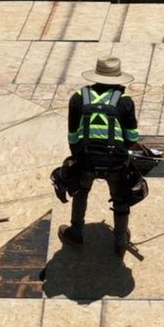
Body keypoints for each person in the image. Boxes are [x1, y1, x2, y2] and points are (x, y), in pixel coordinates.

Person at [58, 55, 145, 255]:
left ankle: (76, 233)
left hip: (86, 158)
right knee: (120, 198)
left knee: (81, 191)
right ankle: (120, 241)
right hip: (115, 161)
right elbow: (131, 137)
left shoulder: (78, 97)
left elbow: (72, 136)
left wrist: (78, 159)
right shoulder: (124, 101)